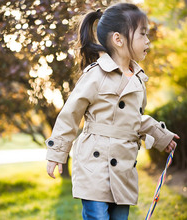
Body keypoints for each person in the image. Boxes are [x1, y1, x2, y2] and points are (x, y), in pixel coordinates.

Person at [45, 3, 180, 220]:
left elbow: (135, 119)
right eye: (142, 34)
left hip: (123, 169)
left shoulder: (138, 79)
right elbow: (70, 115)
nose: (148, 41)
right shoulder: (95, 75)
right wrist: (56, 153)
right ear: (119, 40)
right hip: (94, 166)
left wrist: (160, 135)